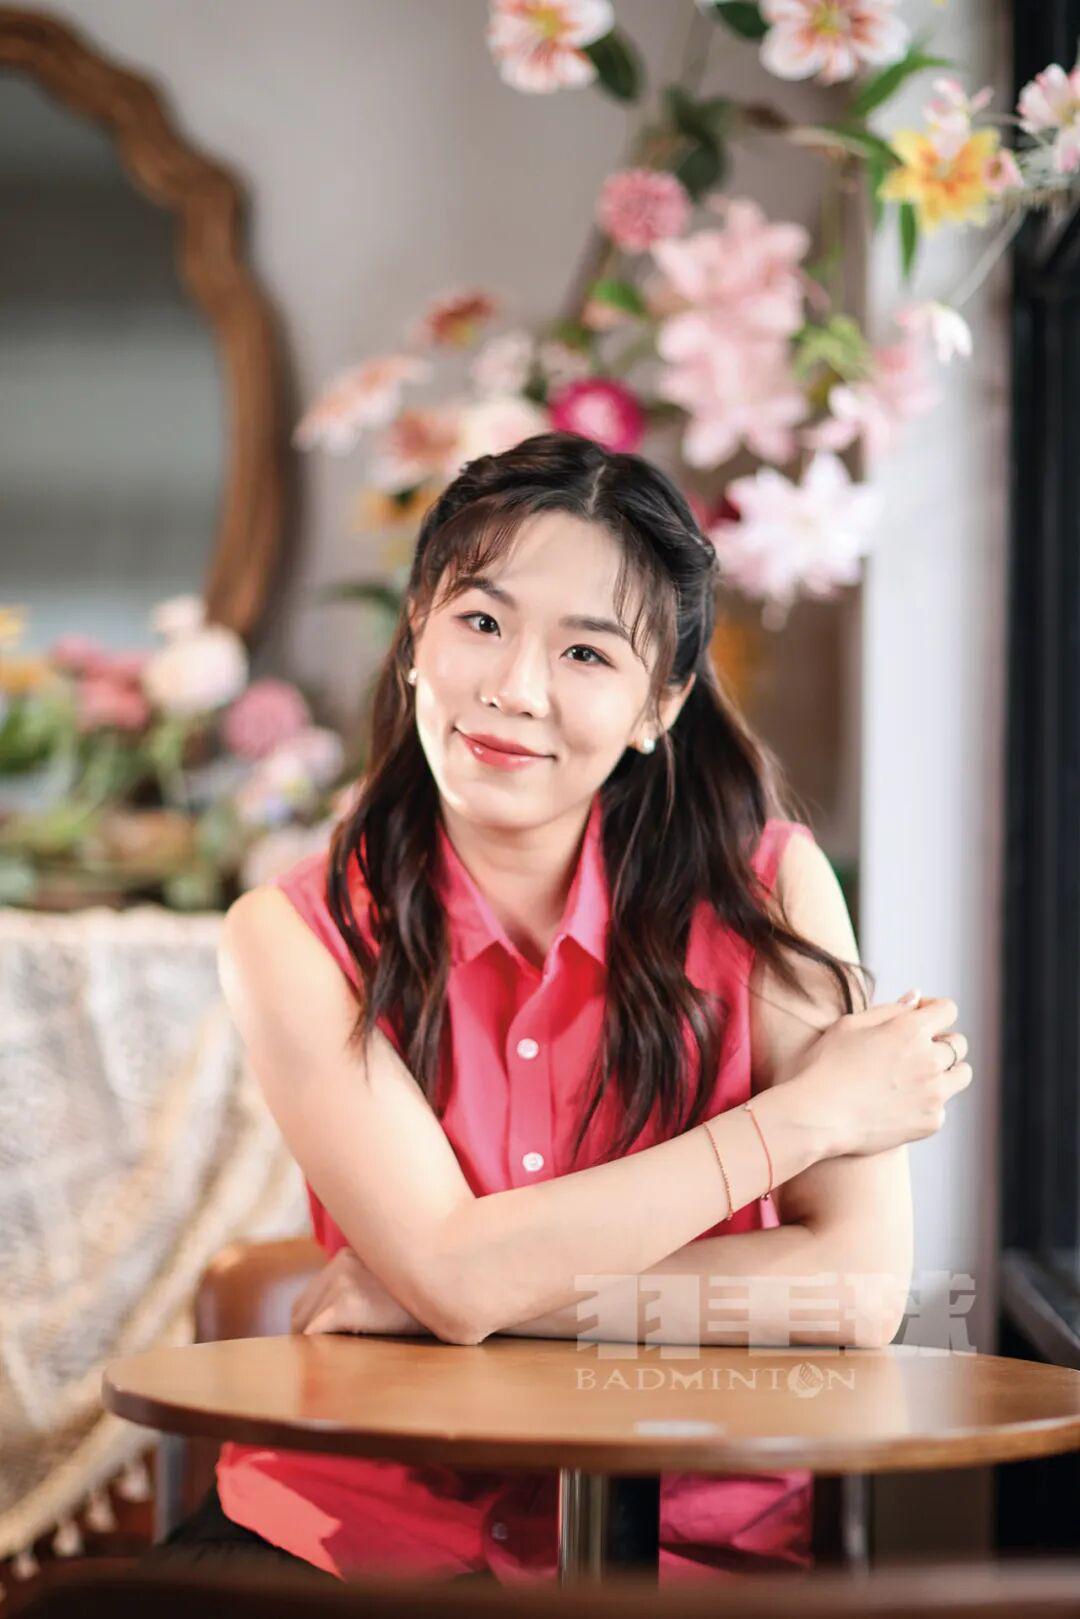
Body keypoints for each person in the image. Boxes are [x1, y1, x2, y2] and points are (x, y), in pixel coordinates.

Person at [147, 429, 970, 1585]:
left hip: (686, 1550)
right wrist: (804, 1118)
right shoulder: (293, 933)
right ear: (415, 636)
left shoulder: (769, 890)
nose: (514, 688)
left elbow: (856, 1289)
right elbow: (453, 1276)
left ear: (659, 702)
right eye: (480, 622)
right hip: (352, 1539)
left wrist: (472, 1292)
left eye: (586, 652)